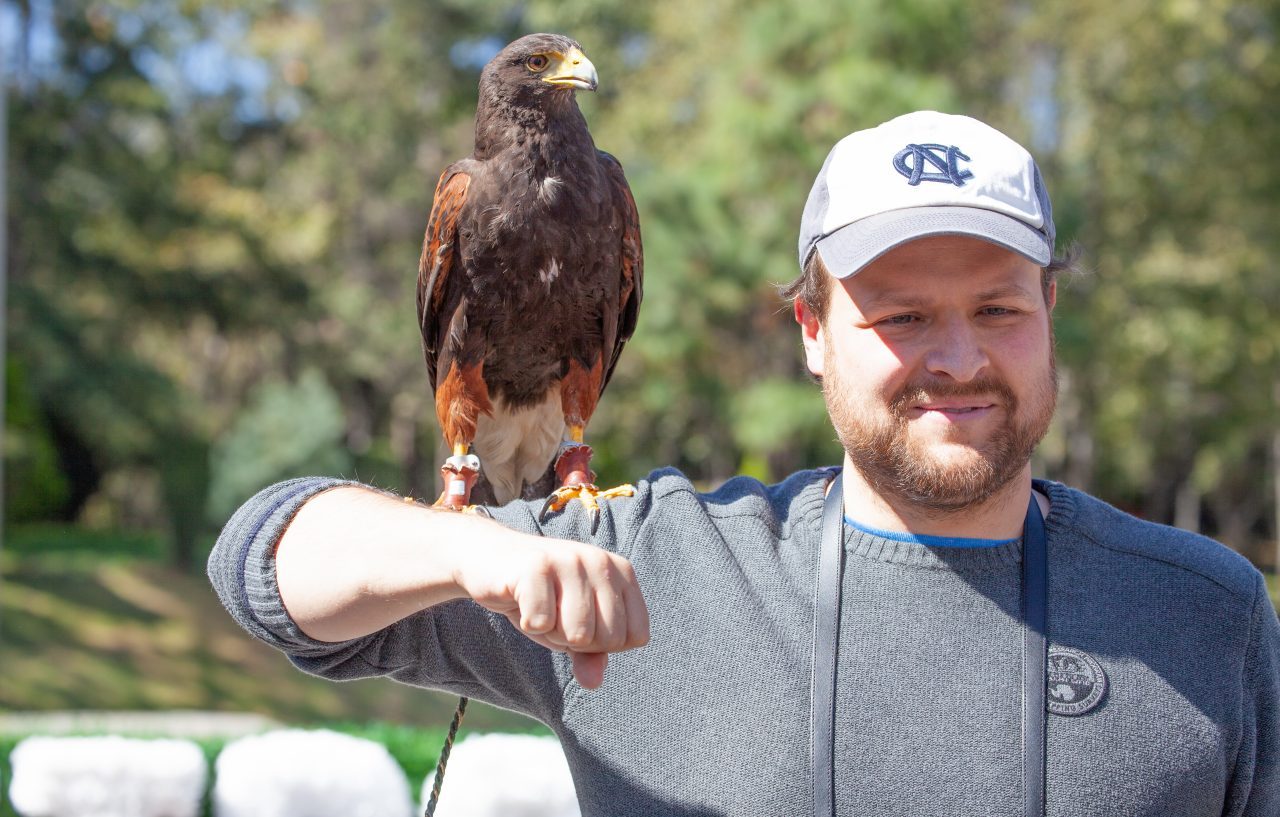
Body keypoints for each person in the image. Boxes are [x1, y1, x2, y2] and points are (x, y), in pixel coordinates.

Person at [208, 111, 1279, 817]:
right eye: (901, 315)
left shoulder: (1205, 614)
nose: (956, 360)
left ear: (1049, 312)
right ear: (811, 330)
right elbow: (266, 573)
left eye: (996, 308)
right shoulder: (648, 567)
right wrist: (466, 548)